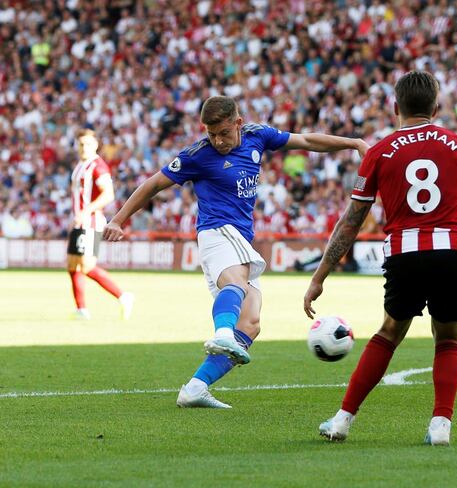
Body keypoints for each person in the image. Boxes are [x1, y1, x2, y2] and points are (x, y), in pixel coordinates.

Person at [104, 96, 367, 408]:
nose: (217, 141)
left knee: (252, 322)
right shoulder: (197, 155)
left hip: (241, 237)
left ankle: (195, 388)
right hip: (215, 232)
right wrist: (119, 219)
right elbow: (153, 184)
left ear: (238, 124)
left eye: (224, 133)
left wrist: (353, 143)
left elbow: (307, 140)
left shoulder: (258, 136)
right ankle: (223, 333)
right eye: (211, 133)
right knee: (236, 284)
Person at [303, 71, 457, 446]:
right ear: (437, 107)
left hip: (405, 251)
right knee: (447, 338)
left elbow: (351, 222)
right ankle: (440, 426)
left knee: (389, 333)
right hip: (454, 249)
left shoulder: (380, 152)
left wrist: (320, 276)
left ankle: (342, 421)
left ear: (396, 107)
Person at [67, 129, 134, 321]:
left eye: (88, 143)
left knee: (86, 266)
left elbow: (108, 194)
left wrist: (85, 212)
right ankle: (81, 309)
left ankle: (123, 296)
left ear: (96, 145)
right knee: (72, 264)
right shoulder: (81, 165)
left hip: (90, 222)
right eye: (81, 144)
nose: (83, 147)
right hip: (79, 221)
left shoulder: (98, 166)